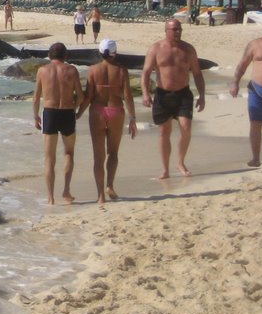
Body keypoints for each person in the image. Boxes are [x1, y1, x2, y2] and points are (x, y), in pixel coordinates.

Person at [141, 19, 206, 178]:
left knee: (186, 129)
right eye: (175, 29)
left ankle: (180, 162)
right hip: (163, 94)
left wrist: (202, 95)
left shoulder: (188, 49)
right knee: (164, 131)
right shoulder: (155, 49)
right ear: (166, 31)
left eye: (180, 29)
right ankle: (165, 169)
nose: (178, 32)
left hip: (183, 93)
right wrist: (145, 93)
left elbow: (197, 73)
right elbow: (146, 72)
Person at [33, 42, 87, 205]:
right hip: (67, 112)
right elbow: (81, 96)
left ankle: (50, 198)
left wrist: (36, 116)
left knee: (49, 158)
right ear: (65, 56)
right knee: (69, 153)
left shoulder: (42, 70)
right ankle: (66, 190)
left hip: (49, 113)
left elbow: (36, 97)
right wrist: (75, 109)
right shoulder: (71, 70)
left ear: (49, 56)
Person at [85, 39, 137, 203]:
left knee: (98, 157)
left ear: (100, 52)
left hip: (97, 112)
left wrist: (78, 113)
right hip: (116, 111)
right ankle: (110, 185)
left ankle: (100, 196)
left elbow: (88, 96)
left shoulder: (93, 70)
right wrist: (132, 118)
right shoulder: (122, 71)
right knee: (113, 152)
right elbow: (127, 96)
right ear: (115, 53)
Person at [229, 18, 262, 168]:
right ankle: (255, 158)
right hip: (256, 90)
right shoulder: (255, 44)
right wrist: (235, 82)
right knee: (255, 124)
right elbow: (242, 65)